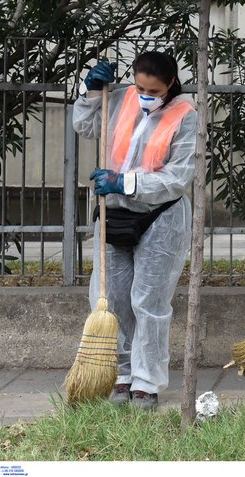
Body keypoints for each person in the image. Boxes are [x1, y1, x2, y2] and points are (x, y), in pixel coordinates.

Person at [73, 51, 196, 410]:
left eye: (152, 89)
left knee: (149, 302)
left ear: (170, 84)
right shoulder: (122, 98)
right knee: (113, 300)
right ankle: (123, 376)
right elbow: (87, 128)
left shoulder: (185, 116)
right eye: (140, 85)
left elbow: (177, 178)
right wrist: (91, 94)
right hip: (112, 211)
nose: (144, 94)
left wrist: (124, 182)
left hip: (160, 217)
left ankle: (146, 383)